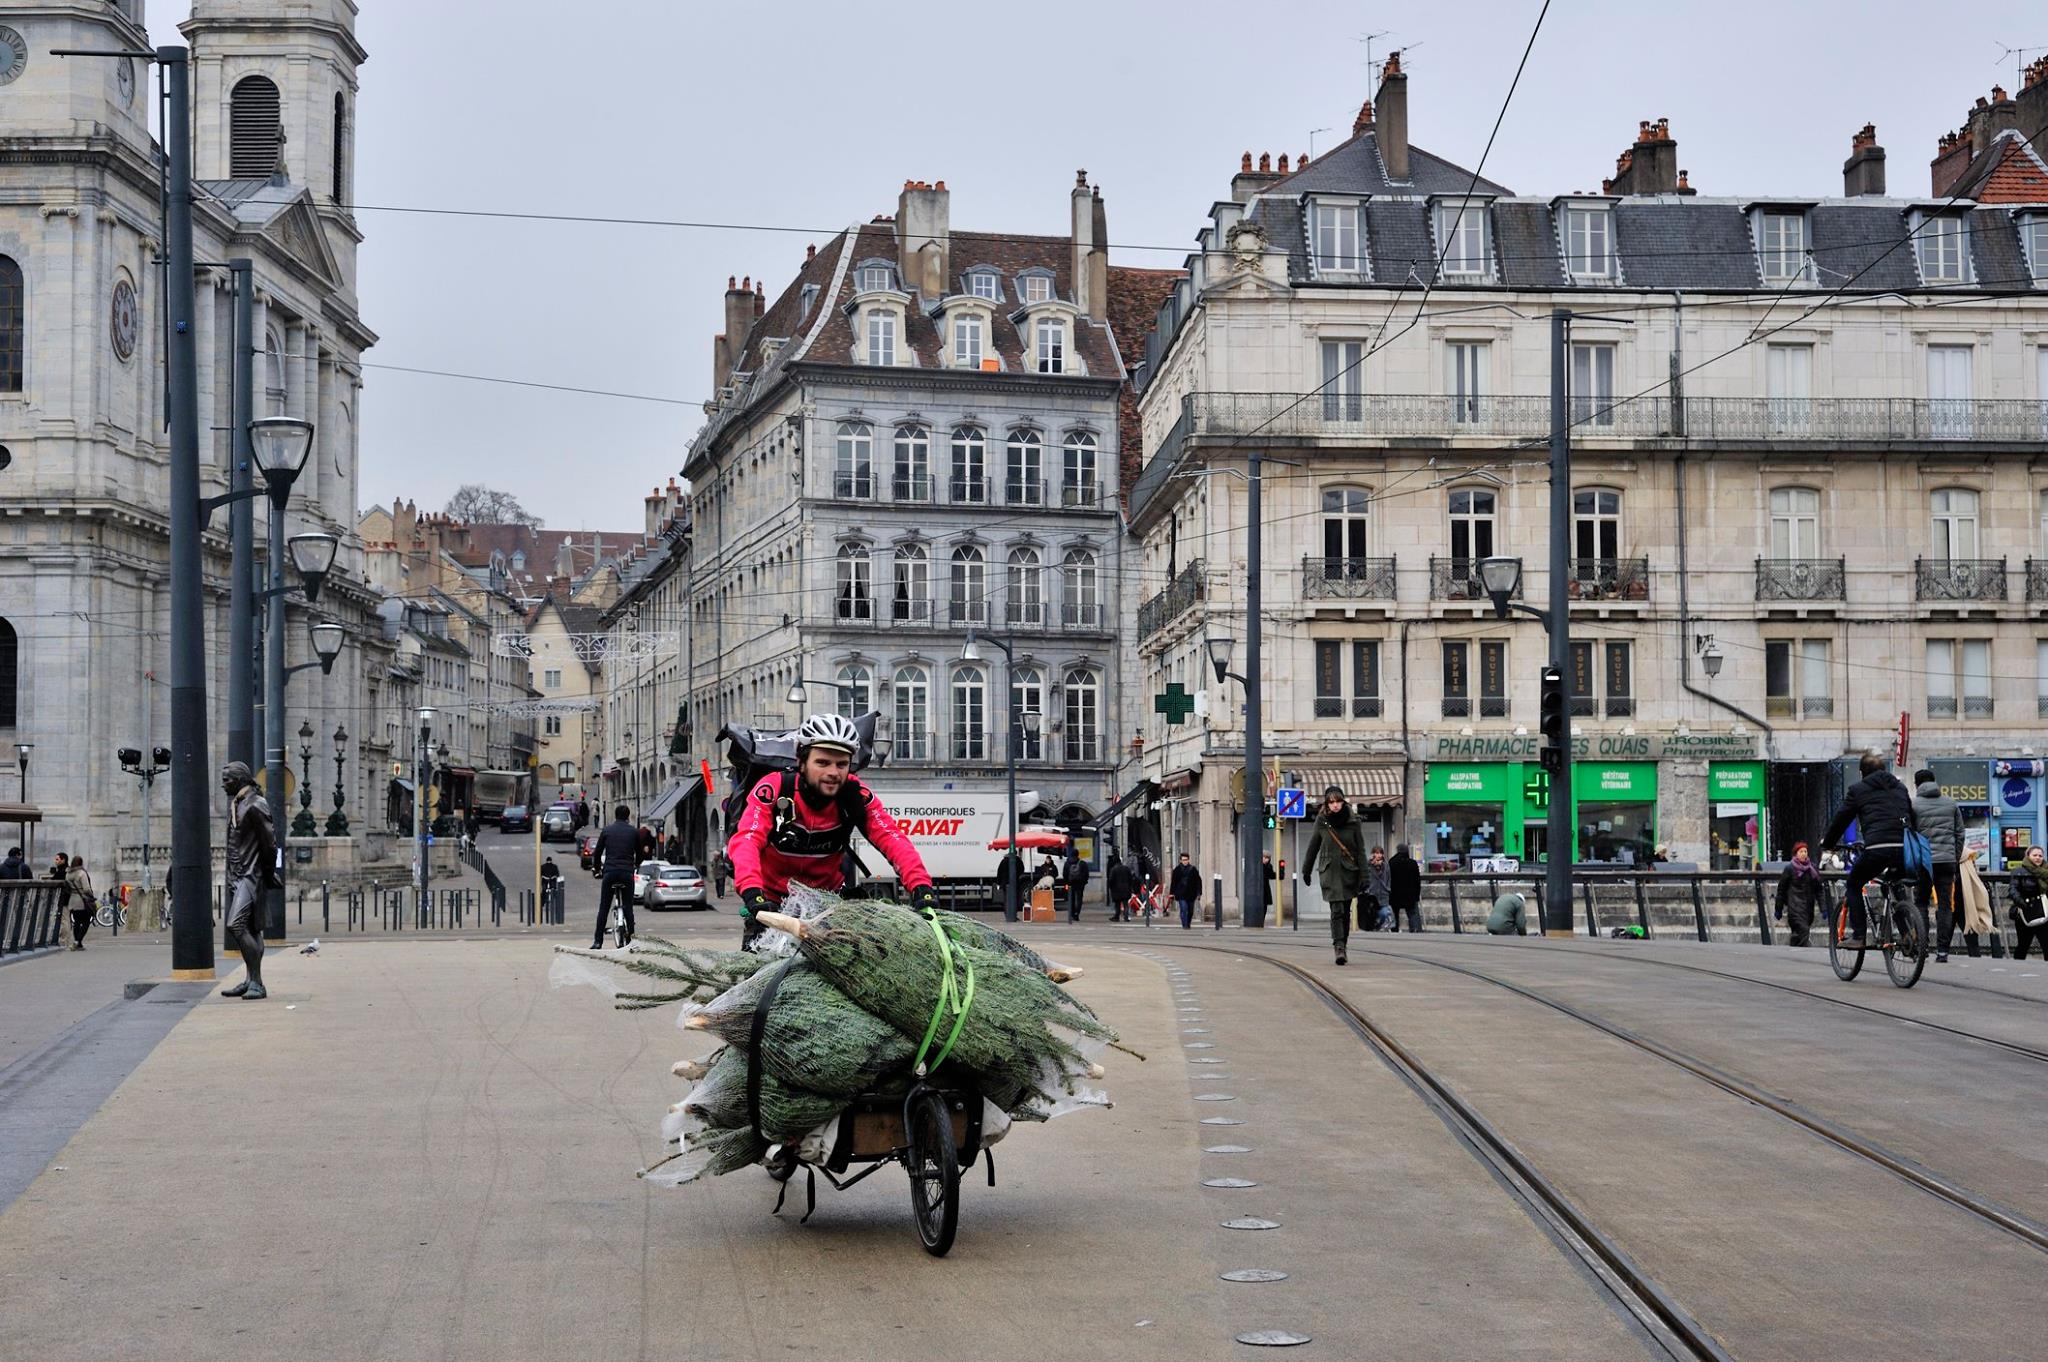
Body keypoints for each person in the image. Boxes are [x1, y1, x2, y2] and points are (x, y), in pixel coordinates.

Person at [727, 713, 935, 950]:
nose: (833, 772)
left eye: (842, 764)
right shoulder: (775, 788)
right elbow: (747, 840)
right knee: (756, 977)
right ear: (802, 762)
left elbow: (891, 838)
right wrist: (753, 893)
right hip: (771, 904)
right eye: (823, 762)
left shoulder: (856, 796)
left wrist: (921, 887)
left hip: (827, 905)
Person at [1819, 752, 1921, 947]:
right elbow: (1911, 817)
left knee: (1854, 884)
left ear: (1861, 773)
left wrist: (1828, 843)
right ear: (1884, 770)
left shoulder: (1858, 790)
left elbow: (1842, 819)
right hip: (1904, 848)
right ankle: (1908, 933)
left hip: (1878, 848)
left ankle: (1858, 936)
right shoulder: (1900, 787)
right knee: (1892, 883)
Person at [219, 761, 276, 997]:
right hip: (237, 875)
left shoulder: (255, 804)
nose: (223, 785)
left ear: (241, 780)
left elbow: (270, 844)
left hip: (251, 876)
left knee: (236, 925)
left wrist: (270, 874)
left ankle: (258, 983)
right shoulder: (239, 803)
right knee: (252, 929)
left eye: (227, 780)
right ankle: (249, 978)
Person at [1301, 785, 1366, 965]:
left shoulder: (1354, 822)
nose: (1335, 805)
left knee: (1345, 911)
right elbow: (1313, 847)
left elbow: (1360, 851)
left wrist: (1365, 878)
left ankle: (1342, 944)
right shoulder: (1322, 822)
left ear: (1343, 802)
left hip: (1348, 872)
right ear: (1327, 804)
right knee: (1337, 910)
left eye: (1338, 801)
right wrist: (1306, 870)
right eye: (1331, 802)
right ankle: (1339, 948)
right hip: (1329, 872)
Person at [1910, 770, 1965, 962]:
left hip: (1924, 862)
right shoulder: (1951, 804)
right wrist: (1954, 857)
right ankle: (1943, 951)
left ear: (1916, 785)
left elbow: (1909, 834)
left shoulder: (1913, 804)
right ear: (1935, 782)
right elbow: (1960, 834)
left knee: (1921, 903)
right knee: (1945, 905)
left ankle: (1923, 947)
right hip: (1947, 862)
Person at [591, 804, 640, 949]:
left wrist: (597, 869)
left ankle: (598, 941)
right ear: (628, 816)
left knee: (604, 908)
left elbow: (598, 853)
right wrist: (636, 865)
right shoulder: (633, 832)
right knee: (628, 908)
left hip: (610, 872)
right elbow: (640, 853)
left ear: (615, 815)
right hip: (626, 872)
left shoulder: (607, 831)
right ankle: (631, 940)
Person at [1772, 842, 1831, 948]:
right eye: (1801, 851)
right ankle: (1807, 953)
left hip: (1808, 908)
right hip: (1794, 908)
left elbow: (1819, 890)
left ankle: (1794, 953)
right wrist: (1778, 909)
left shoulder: (1812, 869)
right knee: (1803, 931)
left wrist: (1823, 908)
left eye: (1805, 851)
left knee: (1798, 934)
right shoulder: (1789, 869)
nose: (1804, 854)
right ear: (1796, 854)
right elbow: (1781, 890)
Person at [2010, 845, 2048, 960]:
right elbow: (2013, 890)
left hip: (2044, 913)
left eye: (2040, 856)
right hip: (2025, 913)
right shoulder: (2019, 871)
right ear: (2028, 856)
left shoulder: (2046, 872)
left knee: (2047, 945)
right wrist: (2022, 904)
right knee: (2023, 946)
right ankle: (2016, 971)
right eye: (2035, 855)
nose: (2038, 858)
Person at [64, 855, 97, 950]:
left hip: (73, 900)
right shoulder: (81, 873)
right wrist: (91, 896)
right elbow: (86, 889)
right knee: (86, 921)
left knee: (77, 922)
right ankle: (78, 941)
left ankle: (77, 941)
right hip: (82, 900)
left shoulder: (68, 874)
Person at [1389, 843, 1422, 933]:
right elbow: (1417, 880)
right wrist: (1417, 894)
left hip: (1395, 893)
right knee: (1412, 913)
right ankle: (1414, 929)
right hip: (1410, 894)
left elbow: (1388, 879)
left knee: (1395, 912)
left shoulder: (1392, 862)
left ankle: (1394, 929)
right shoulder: (1412, 863)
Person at [1360, 846, 1392, 931]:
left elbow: (1389, 878)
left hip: (1383, 893)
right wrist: (1370, 864)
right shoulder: (1369, 865)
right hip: (1372, 894)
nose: (1378, 855)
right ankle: (1373, 927)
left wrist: (1388, 888)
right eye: (1376, 853)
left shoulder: (1385, 865)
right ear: (1372, 854)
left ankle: (1379, 925)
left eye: (1380, 853)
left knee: (1384, 913)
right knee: (1371, 913)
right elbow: (1363, 874)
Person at [1170, 851, 1202, 930]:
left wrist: (1199, 893)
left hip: (1191, 893)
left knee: (1190, 910)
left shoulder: (1193, 869)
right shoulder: (1176, 870)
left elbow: (1198, 881)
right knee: (1184, 909)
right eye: (1184, 860)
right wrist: (1171, 893)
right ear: (1180, 860)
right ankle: (1185, 925)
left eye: (1186, 860)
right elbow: (1173, 882)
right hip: (1181, 893)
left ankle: (1188, 923)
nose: (1185, 861)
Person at [1106, 852, 1134, 923]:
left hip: (1116, 889)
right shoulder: (1126, 869)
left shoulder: (1113, 870)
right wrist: (1130, 887)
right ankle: (1126, 916)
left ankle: (1117, 916)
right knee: (1125, 904)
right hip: (1126, 889)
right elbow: (1130, 879)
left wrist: (1111, 887)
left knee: (1117, 904)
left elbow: (1111, 879)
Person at [1063, 851, 1089, 923]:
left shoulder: (1067, 863)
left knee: (1071, 899)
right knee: (1079, 899)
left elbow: (1064, 874)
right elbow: (1086, 874)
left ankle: (1071, 914)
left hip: (1070, 884)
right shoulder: (1082, 863)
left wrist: (1067, 883)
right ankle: (1077, 913)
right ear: (1078, 855)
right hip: (1080, 884)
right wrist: (1084, 882)